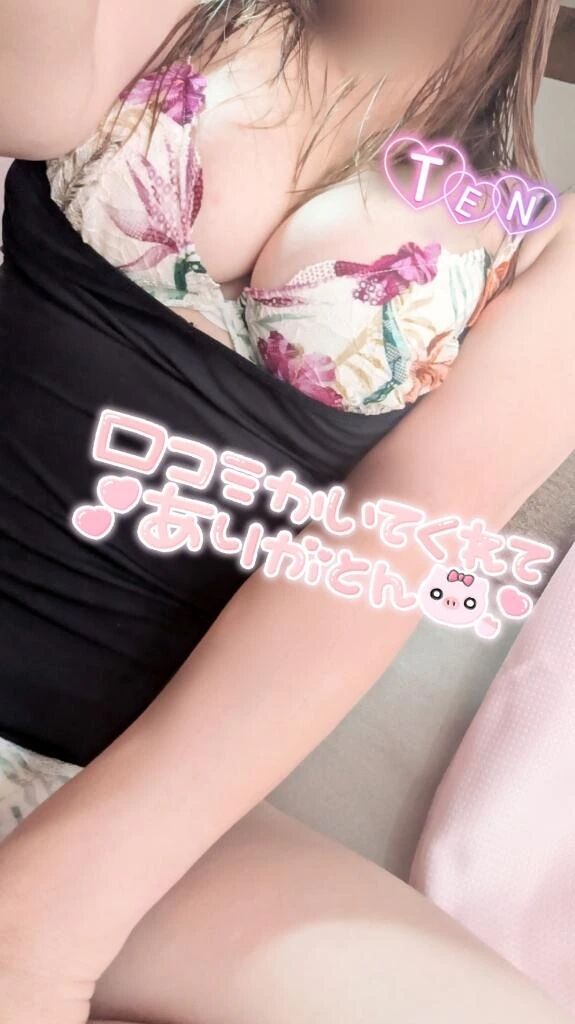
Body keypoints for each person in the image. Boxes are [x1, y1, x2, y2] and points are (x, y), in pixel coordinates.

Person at [0, 2, 573, 1021]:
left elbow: (388, 549)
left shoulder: (546, 239)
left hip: (128, 777)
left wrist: (52, 922)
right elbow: (26, 98)